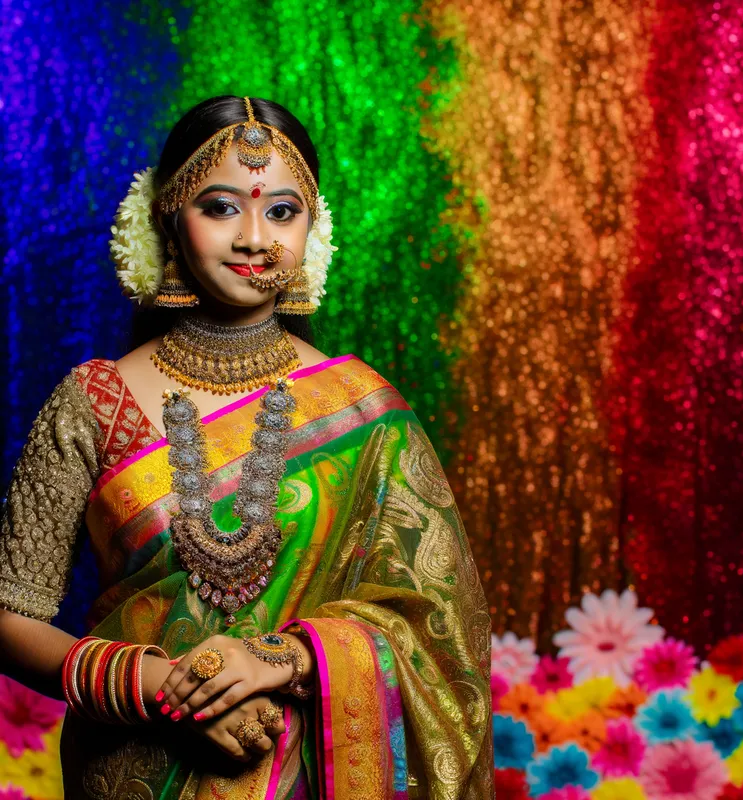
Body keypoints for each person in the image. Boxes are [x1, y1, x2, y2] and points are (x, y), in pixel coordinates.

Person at [0, 95, 493, 799]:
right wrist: (162, 689)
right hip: (136, 769)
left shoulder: (365, 408)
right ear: (168, 216)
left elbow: (439, 625)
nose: (256, 237)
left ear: (312, 228)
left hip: (312, 770)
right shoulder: (94, 400)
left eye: (282, 211)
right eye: (222, 207)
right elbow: (10, 615)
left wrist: (282, 659)